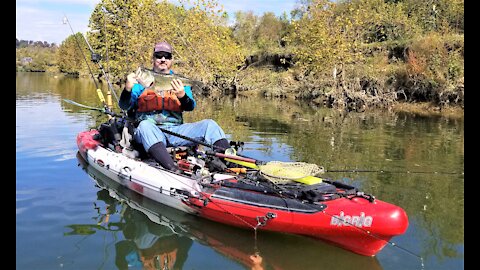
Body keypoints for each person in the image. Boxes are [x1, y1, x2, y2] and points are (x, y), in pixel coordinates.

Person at [119, 41, 230, 172]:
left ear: (171, 60)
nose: (163, 59)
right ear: (153, 59)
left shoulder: (178, 81)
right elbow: (124, 105)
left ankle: (228, 163)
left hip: (176, 131)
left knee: (210, 125)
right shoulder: (139, 84)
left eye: (167, 56)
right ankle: (173, 168)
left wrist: (182, 95)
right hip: (150, 132)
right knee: (144, 126)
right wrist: (127, 89)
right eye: (159, 56)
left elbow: (190, 107)